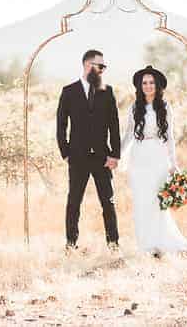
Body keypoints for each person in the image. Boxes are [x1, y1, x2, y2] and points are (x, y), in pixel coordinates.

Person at [119, 65, 187, 257]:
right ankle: (146, 246)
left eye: (151, 83)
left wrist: (173, 163)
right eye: (144, 83)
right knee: (141, 201)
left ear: (157, 86)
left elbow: (170, 136)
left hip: (158, 156)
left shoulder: (165, 107)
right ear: (140, 86)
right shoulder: (135, 107)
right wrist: (118, 155)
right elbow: (128, 135)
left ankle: (162, 242)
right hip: (139, 156)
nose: (148, 86)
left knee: (156, 202)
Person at [56, 49, 121, 253]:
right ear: (87, 65)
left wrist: (115, 154)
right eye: (100, 66)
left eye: (104, 67)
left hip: (102, 157)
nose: (102, 70)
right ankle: (71, 244)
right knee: (74, 202)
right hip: (77, 157)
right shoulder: (69, 91)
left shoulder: (107, 91)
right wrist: (65, 152)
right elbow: (60, 124)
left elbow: (114, 125)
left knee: (108, 202)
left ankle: (113, 244)